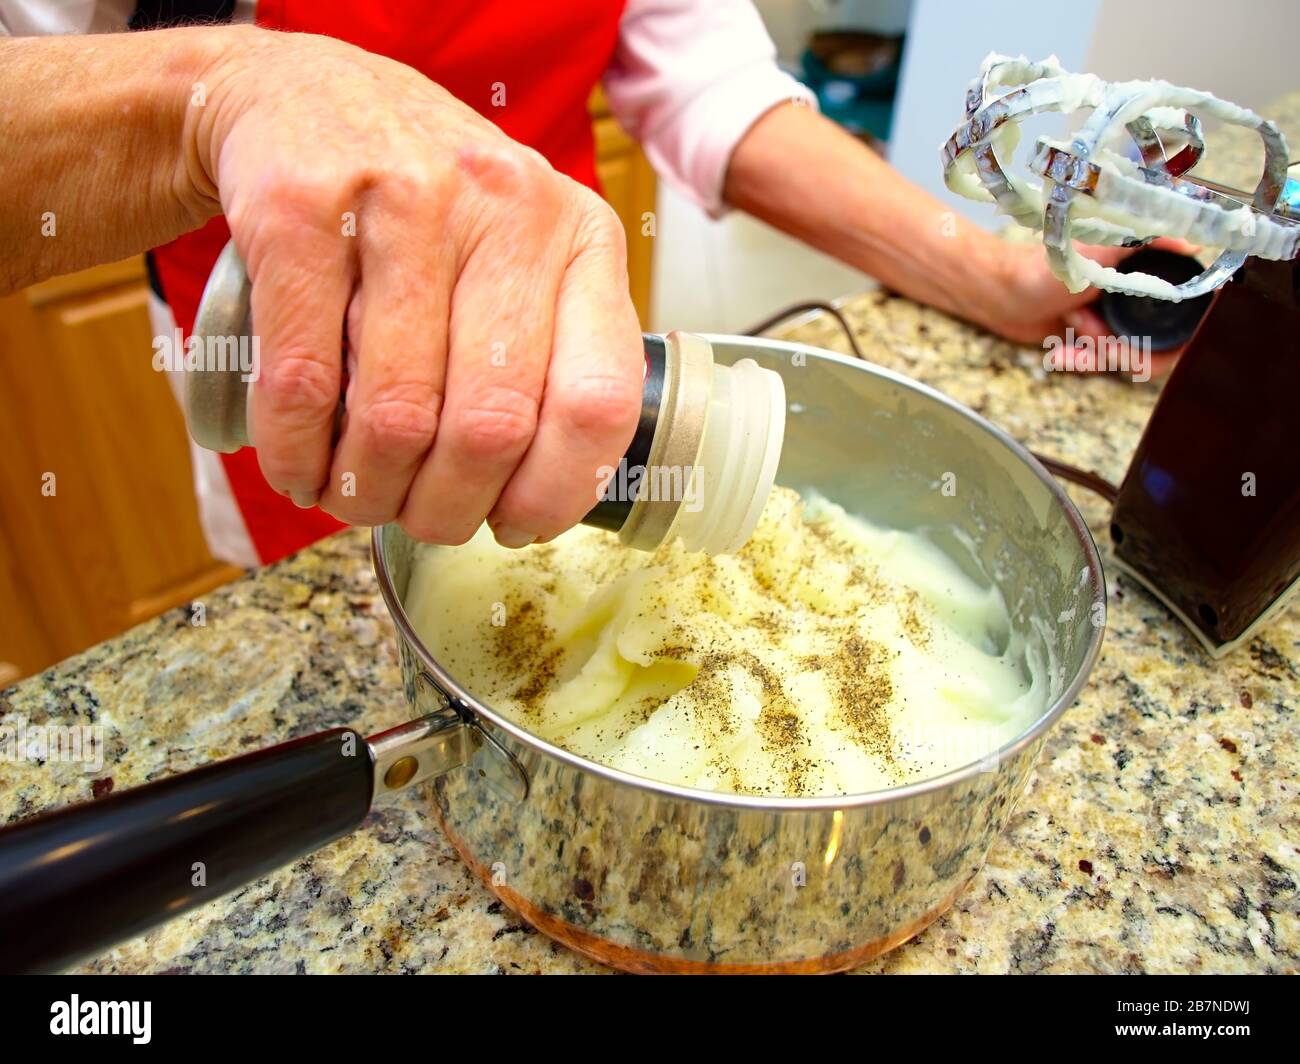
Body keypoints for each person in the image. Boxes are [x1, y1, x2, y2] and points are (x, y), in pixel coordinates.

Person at [0, 1, 1141, 567]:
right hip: (280, 352)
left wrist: (989, 274)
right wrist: (218, 90)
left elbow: (708, 83)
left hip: (551, 345)